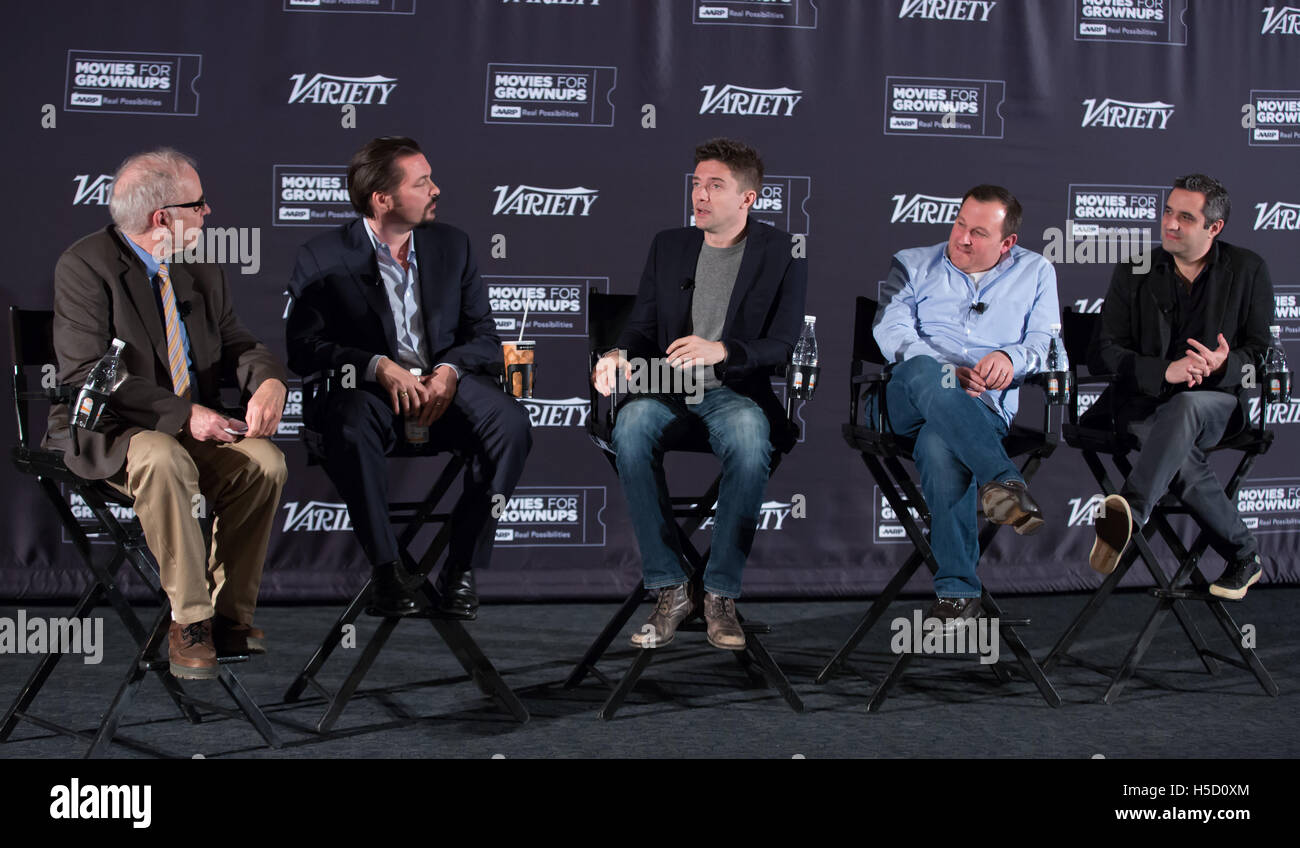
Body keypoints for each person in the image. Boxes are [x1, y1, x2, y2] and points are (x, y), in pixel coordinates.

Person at [47, 148, 288, 679]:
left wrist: (268, 380)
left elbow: (239, 344)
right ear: (164, 217)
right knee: (160, 455)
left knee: (265, 462)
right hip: (112, 430)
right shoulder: (84, 266)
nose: (209, 213)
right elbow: (87, 373)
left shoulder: (200, 269)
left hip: (192, 425)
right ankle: (191, 620)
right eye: (198, 205)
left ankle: (231, 618)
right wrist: (184, 415)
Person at [286, 136, 531, 619]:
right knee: (350, 425)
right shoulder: (322, 255)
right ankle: (387, 570)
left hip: (445, 391)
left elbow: (484, 335)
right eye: (422, 183)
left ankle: (460, 565)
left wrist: (449, 371)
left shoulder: (452, 245)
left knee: (511, 425)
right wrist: (377, 365)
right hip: (369, 396)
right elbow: (303, 350)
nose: (436, 189)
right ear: (383, 199)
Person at [592, 138, 807, 650]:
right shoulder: (670, 245)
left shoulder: (782, 252)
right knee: (631, 426)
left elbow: (781, 344)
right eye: (696, 184)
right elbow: (642, 323)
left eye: (715, 186)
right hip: (666, 386)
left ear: (747, 198)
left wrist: (723, 350)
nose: (701, 195)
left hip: (733, 390)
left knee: (753, 440)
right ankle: (670, 587)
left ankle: (720, 594)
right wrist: (619, 353)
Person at [873, 185, 1061, 627]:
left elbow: (1048, 344)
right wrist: (944, 369)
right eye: (960, 224)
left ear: (1007, 242)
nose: (962, 238)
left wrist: (1010, 358)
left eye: (978, 232)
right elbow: (890, 329)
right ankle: (1004, 481)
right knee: (923, 367)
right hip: (906, 398)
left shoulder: (1036, 271)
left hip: (982, 407)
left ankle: (957, 593)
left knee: (941, 447)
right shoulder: (913, 261)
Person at [1088, 174, 1275, 600]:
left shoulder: (1248, 269)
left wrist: (1225, 364)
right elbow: (1103, 352)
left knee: (1188, 405)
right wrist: (1163, 371)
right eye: (1168, 212)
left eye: (1185, 217)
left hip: (1214, 405)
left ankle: (1130, 511)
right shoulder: (1135, 268)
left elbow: (1260, 354)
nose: (1170, 224)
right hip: (1143, 405)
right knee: (1179, 453)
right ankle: (1244, 553)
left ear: (1215, 227)